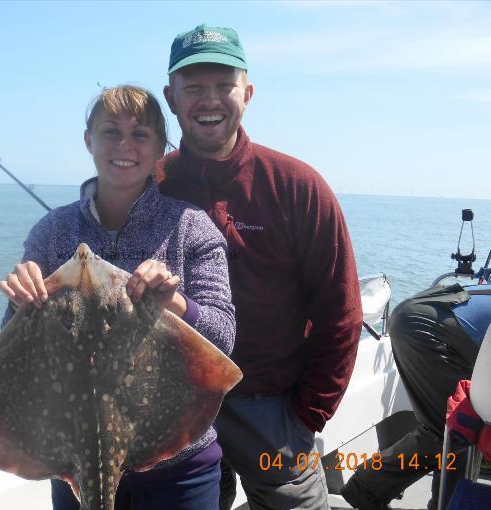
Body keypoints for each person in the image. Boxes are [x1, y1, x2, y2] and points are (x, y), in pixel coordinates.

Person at [0, 85, 236, 510]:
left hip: (178, 461)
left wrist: (175, 303)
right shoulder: (52, 232)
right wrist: (21, 302)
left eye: (140, 134)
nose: (124, 145)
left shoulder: (190, 228)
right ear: (88, 140)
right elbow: (14, 345)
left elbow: (224, 337)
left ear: (160, 148)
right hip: (73, 459)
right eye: (111, 132)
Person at [155, 24, 364, 510]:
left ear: (247, 93)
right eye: (193, 87)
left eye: (223, 85)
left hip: (274, 408)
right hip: (176, 411)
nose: (210, 100)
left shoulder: (298, 186)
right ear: (171, 97)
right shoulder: (151, 184)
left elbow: (342, 311)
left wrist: (307, 415)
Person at [341, 281, 491, 510]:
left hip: (417, 317)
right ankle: (365, 489)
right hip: (428, 331)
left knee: (455, 430)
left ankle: (445, 503)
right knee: (453, 429)